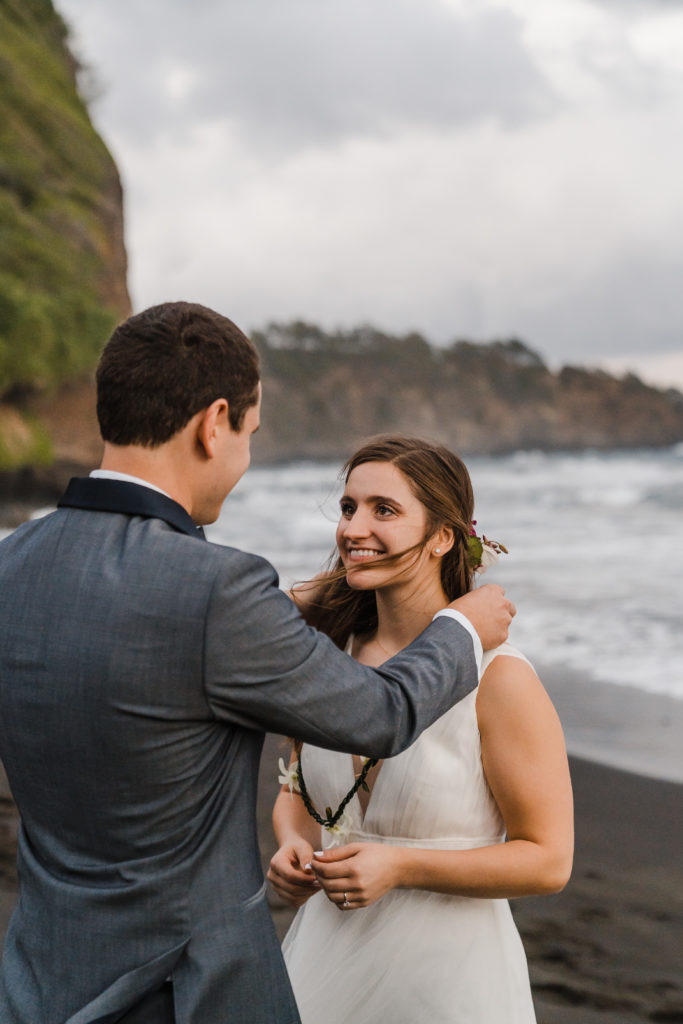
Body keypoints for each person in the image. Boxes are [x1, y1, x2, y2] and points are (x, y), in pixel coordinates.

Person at [0, 303, 515, 1024]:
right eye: (248, 434)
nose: (242, 459)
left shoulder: (11, 564)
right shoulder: (217, 588)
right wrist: (462, 627)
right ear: (214, 423)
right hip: (186, 994)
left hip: (39, 980)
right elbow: (377, 712)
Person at [269, 436, 573, 1023]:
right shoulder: (329, 656)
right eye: (349, 508)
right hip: (322, 964)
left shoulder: (500, 680)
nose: (354, 527)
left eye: (384, 509)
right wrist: (292, 844)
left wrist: (402, 866)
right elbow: (298, 793)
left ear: (441, 536)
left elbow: (549, 860)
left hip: (448, 983)